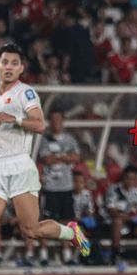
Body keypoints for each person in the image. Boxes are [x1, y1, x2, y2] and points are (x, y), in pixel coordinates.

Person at [0, 43, 90, 275]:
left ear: (21, 68)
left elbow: (40, 124)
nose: (8, 67)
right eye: (4, 62)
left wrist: (15, 118)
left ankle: (70, 232)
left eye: (14, 63)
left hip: (20, 164)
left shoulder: (25, 93)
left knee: (31, 230)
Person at [38, 109, 81, 266]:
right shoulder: (45, 139)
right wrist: (64, 157)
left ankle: (66, 253)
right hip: (50, 187)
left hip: (66, 186)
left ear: (63, 121)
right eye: (53, 119)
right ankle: (43, 254)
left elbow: (76, 157)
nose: (56, 122)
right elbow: (46, 159)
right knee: (47, 220)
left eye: (59, 119)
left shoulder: (70, 139)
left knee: (67, 220)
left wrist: (59, 157)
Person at [105, 165, 137, 265]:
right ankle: (115, 252)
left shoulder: (135, 191)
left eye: (133, 179)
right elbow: (112, 211)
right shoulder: (114, 190)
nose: (131, 181)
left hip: (131, 220)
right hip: (115, 220)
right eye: (128, 178)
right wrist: (130, 218)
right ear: (123, 178)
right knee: (118, 221)